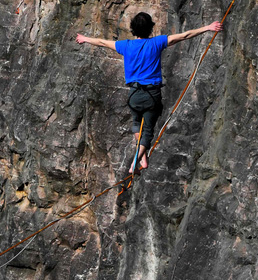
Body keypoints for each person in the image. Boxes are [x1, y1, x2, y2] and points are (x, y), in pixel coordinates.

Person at [76, 13, 222, 173]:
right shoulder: (156, 43)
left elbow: (102, 42)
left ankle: (143, 159)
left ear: (133, 29)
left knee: (137, 124)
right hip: (151, 94)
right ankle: (134, 164)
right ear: (151, 28)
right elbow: (184, 35)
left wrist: (85, 38)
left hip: (133, 95)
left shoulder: (126, 46)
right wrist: (208, 28)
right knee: (147, 132)